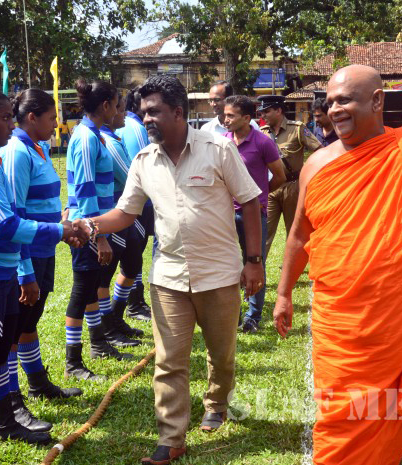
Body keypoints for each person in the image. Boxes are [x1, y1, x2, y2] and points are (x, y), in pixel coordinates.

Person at [274, 65, 402, 465]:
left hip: (398, 318)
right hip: (339, 320)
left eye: (344, 100)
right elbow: (298, 235)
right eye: (330, 102)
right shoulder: (316, 165)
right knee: (339, 415)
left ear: (377, 101)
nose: (334, 110)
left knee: (389, 414)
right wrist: (283, 293)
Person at [75, 75, 264, 465]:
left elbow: (249, 202)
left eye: (154, 111)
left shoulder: (218, 149)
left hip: (218, 274)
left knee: (222, 354)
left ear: (178, 112)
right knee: (169, 361)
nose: (146, 119)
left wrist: (253, 261)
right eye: (143, 112)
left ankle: (216, 403)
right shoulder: (144, 160)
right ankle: (171, 437)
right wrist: (90, 225)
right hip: (169, 278)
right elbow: (125, 213)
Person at [0, 89, 85, 457]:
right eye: (6, 118)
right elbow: (4, 223)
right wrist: (60, 231)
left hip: (3, 270)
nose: (12, 124)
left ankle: (4, 422)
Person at [0, 89, 83, 432]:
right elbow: (15, 215)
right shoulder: (16, 152)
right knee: (12, 331)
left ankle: (37, 382)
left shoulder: (39, 148)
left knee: (29, 322)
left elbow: (43, 201)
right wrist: (24, 272)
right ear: (32, 117)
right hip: (28, 256)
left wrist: (61, 227)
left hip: (45, 251)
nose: (56, 124)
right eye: (51, 118)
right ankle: (11, 398)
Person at [64, 78, 132, 382]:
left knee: (91, 286)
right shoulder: (86, 138)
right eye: (116, 105)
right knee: (81, 290)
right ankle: (72, 361)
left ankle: (98, 343)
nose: (118, 110)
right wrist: (99, 236)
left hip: (93, 224)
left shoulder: (93, 134)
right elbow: (85, 188)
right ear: (105, 106)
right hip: (86, 227)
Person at [222, 95, 285, 333]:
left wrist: (260, 197)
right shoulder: (222, 141)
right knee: (230, 263)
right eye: (225, 115)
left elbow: (279, 175)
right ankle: (234, 312)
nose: (226, 120)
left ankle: (253, 316)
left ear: (247, 118)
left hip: (254, 215)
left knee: (255, 261)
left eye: (231, 115)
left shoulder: (262, 142)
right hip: (226, 215)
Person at [96, 95, 145, 346]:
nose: (124, 114)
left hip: (124, 212)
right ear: (107, 110)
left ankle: (115, 315)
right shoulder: (107, 141)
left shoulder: (113, 138)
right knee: (105, 274)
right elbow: (129, 178)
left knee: (133, 263)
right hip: (114, 213)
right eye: (120, 109)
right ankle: (107, 326)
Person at [259, 94, 322, 259]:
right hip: (271, 187)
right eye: (262, 112)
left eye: (267, 111)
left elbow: (320, 151)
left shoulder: (297, 129)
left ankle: (293, 266)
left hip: (293, 187)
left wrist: (309, 177)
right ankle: (258, 267)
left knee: (295, 231)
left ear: (279, 110)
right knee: (264, 231)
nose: (263, 115)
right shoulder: (261, 133)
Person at [115, 86, 153, 321]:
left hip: (127, 200)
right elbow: (145, 166)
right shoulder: (136, 128)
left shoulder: (126, 125)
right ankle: (135, 303)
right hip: (137, 201)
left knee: (133, 254)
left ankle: (132, 303)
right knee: (134, 253)